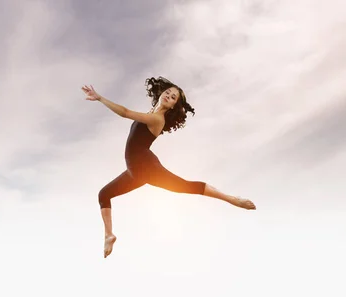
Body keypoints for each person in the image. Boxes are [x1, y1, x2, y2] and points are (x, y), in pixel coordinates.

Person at [81, 77, 256, 259]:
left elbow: (125, 112)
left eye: (173, 98)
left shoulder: (157, 119)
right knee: (104, 194)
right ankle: (108, 235)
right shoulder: (151, 112)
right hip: (135, 171)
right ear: (161, 92)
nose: (169, 96)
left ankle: (233, 199)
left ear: (173, 106)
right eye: (168, 93)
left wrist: (100, 98)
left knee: (185, 186)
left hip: (147, 167)